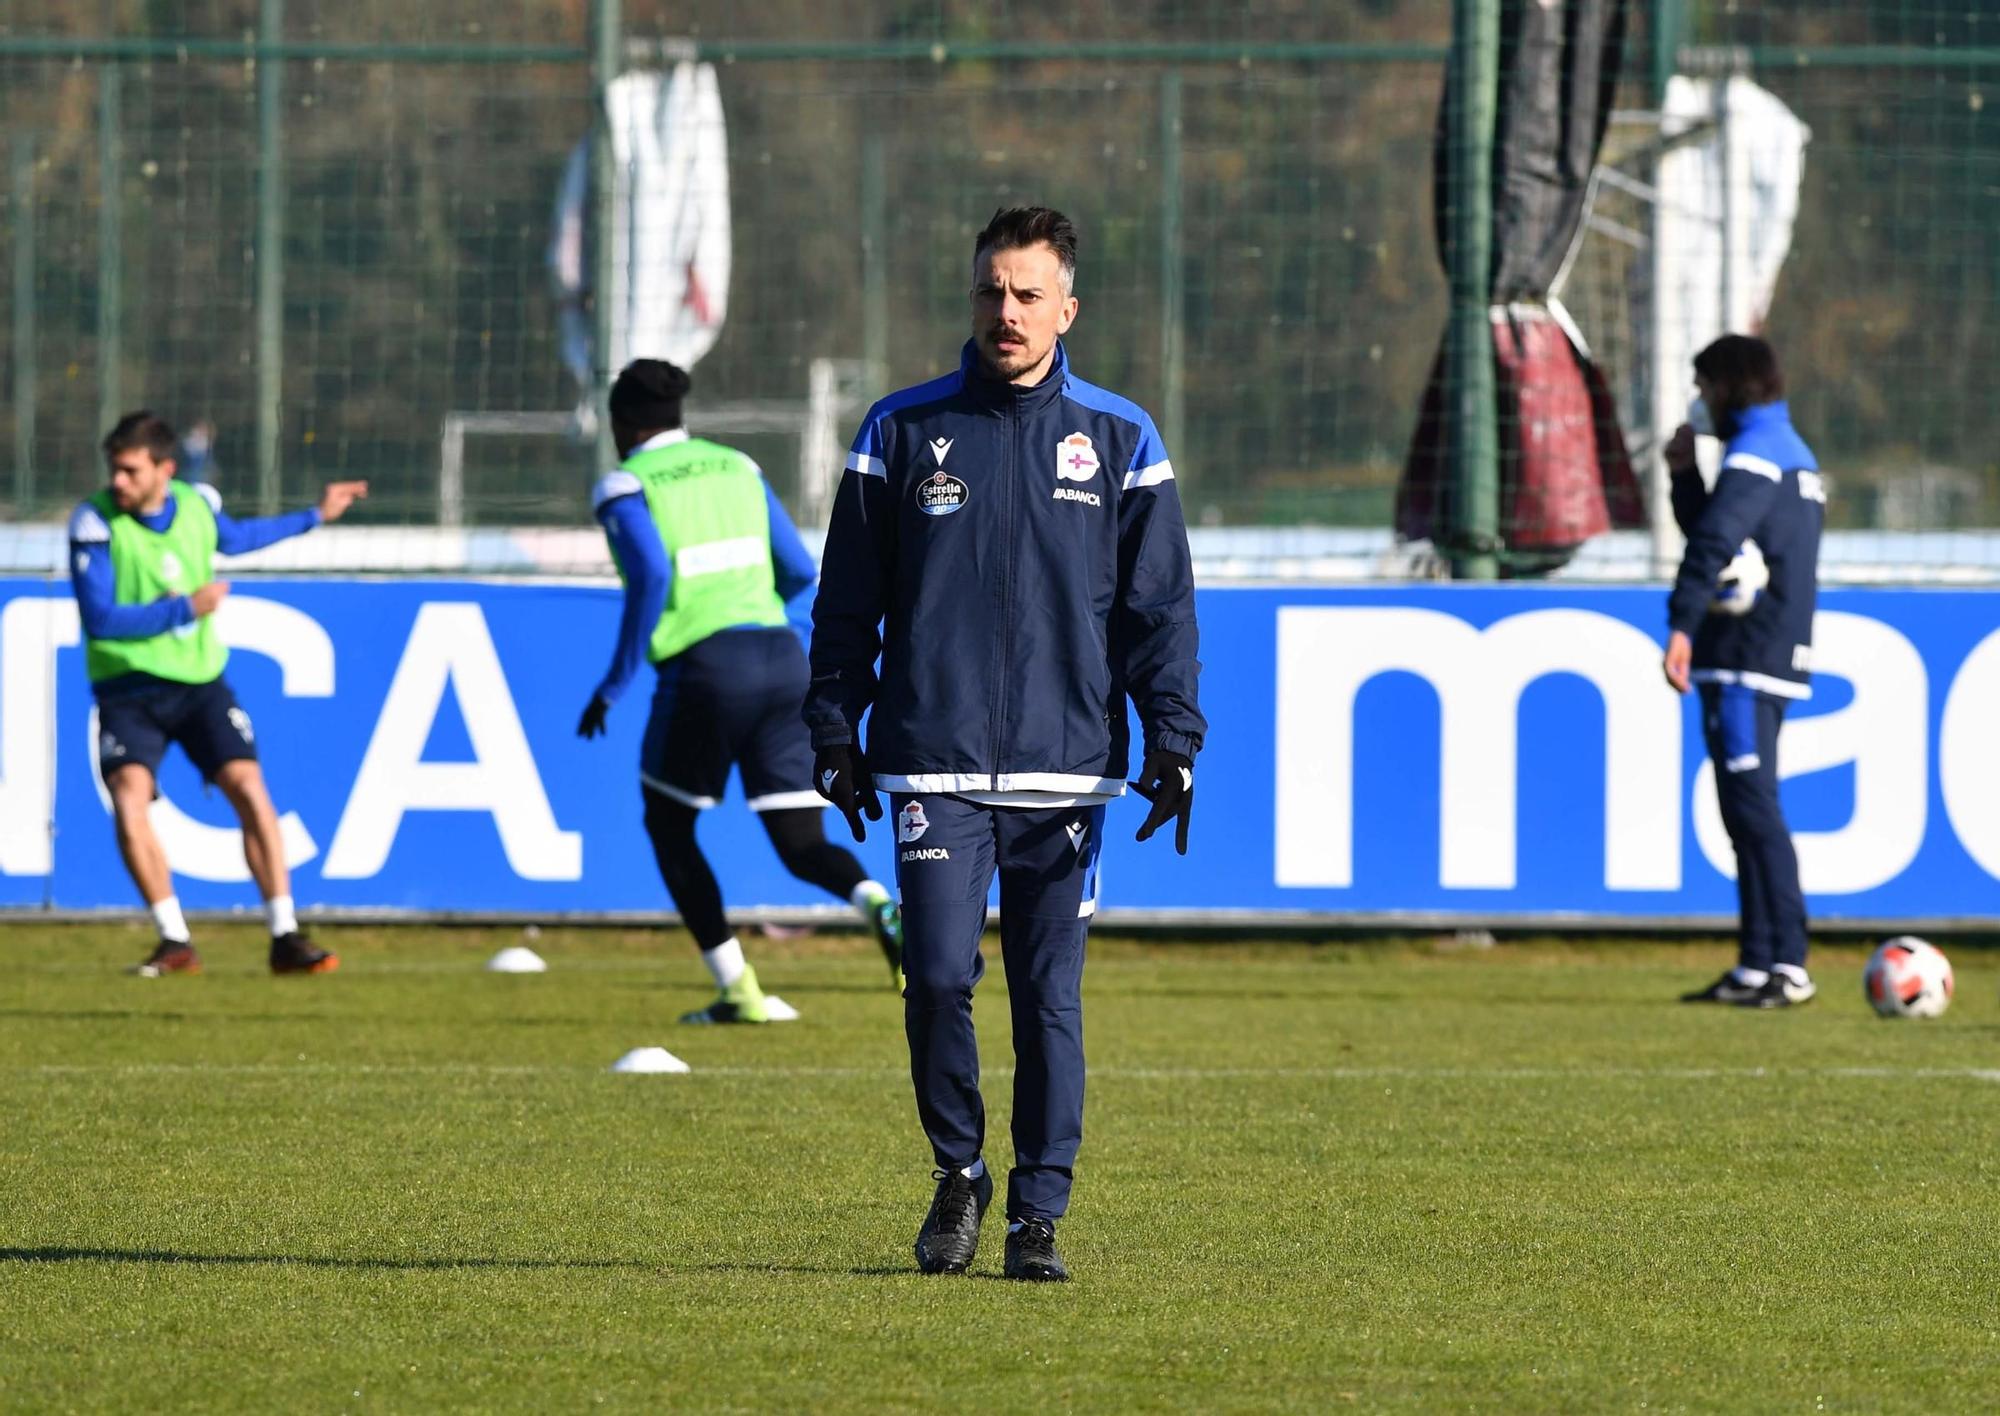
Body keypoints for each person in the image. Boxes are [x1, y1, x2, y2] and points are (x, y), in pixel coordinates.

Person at [807, 206, 1204, 1282]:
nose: (1006, 312)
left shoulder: (1121, 437)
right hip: (932, 761)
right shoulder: (898, 430)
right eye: (991, 290)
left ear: (1066, 307)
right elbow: (846, 602)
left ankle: (1036, 1217)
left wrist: (1170, 739)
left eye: (1029, 294)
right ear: (970, 297)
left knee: (1047, 999)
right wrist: (833, 725)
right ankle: (958, 1173)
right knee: (935, 978)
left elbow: (1157, 610)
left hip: (1067, 769)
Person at [576, 359, 903, 1024]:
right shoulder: (738, 467)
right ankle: (877, 902)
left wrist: (613, 685)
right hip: (783, 661)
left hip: (706, 670)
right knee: (800, 843)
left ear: (621, 424)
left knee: (668, 827)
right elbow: (796, 571)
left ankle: (738, 990)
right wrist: (759, 619)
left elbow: (651, 582)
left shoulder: (624, 484)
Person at [71, 411, 368, 976]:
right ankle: (174, 940)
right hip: (127, 691)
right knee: (130, 799)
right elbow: (101, 619)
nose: (119, 482)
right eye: (115, 470)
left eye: (131, 471)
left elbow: (239, 538)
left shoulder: (197, 505)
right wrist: (186, 607)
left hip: (200, 684)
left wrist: (315, 516)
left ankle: (284, 934)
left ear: (165, 469)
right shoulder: (94, 521)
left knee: (250, 787)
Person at [1661, 335, 1824, 1008]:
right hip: (1752, 657)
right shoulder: (1782, 451)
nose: (1699, 400)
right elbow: (1722, 534)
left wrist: (1679, 624)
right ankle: (1757, 963)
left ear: (1729, 386)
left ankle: (1789, 963)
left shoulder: (1758, 456)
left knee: (1755, 811)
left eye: (1703, 387)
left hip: (1747, 662)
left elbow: (1713, 544)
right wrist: (1682, 475)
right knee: (1741, 812)